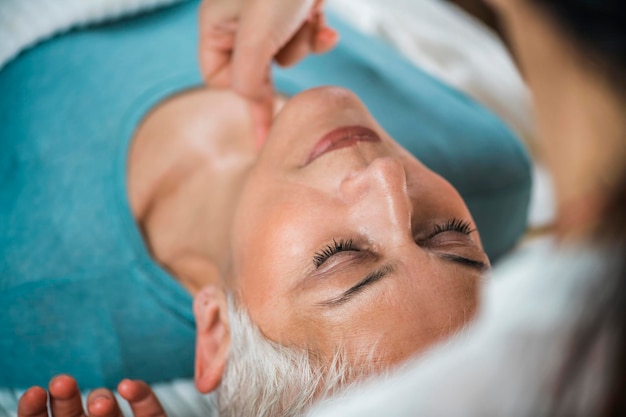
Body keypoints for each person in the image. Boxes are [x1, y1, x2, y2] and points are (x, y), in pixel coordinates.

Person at [2, 0, 531, 416]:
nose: (387, 179)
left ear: (218, 332)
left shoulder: (22, 319)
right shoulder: (490, 168)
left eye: (341, 256)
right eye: (447, 235)